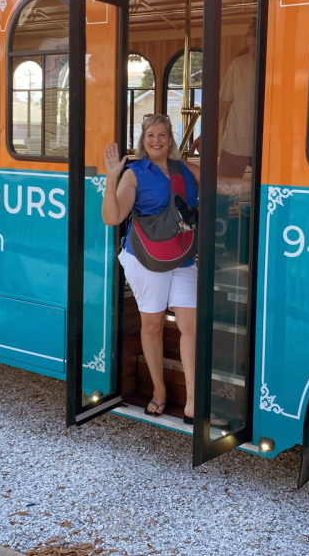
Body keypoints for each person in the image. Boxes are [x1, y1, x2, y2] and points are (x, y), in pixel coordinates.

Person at [101, 114, 200, 421]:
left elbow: (224, 183)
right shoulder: (134, 173)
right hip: (147, 258)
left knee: (190, 328)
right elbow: (112, 218)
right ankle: (159, 392)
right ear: (143, 141)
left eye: (162, 135)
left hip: (183, 256)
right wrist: (111, 177)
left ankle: (193, 401)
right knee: (153, 325)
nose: (156, 140)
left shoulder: (186, 169)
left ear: (170, 140)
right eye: (150, 135)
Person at [192, 23, 257, 177]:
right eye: (250, 45)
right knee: (224, 192)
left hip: (270, 145)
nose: (252, 50)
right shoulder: (238, 65)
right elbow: (222, 104)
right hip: (235, 143)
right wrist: (206, 134)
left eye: (256, 45)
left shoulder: (281, 66)